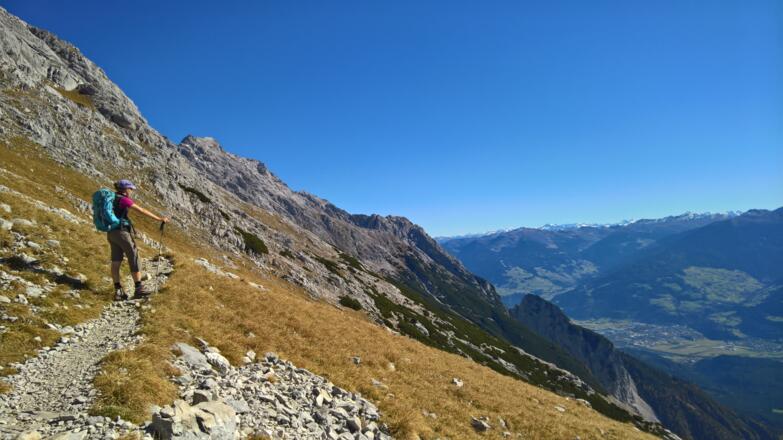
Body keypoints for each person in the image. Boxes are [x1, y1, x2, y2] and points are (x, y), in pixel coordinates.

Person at [108, 179, 169, 300]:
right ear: (125, 189)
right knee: (134, 257)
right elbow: (142, 210)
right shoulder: (124, 199)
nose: (132, 191)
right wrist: (159, 219)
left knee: (116, 262)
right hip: (122, 233)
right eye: (130, 189)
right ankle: (138, 288)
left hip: (111, 233)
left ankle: (118, 291)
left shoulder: (111, 198)